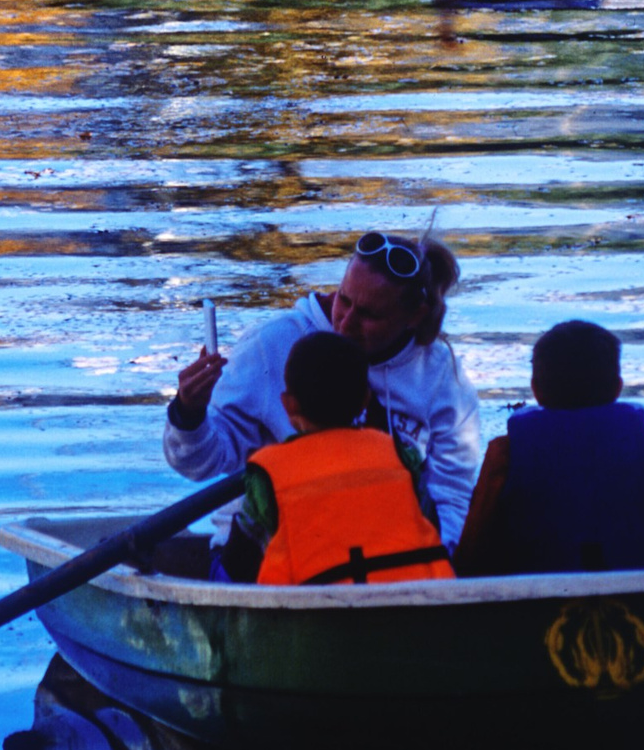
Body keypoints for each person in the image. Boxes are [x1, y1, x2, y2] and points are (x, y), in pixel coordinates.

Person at [165, 232, 484, 554]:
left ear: (414, 317)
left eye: (369, 315)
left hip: (383, 556)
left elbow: (452, 496)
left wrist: (439, 563)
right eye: (344, 299)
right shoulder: (271, 343)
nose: (346, 323)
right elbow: (201, 464)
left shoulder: (443, 377)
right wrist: (189, 414)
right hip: (271, 551)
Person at [456, 320, 644, 577]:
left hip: (538, 599)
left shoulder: (503, 455)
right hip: (641, 599)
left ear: (536, 389)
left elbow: (468, 562)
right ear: (617, 387)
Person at [223, 330, 453, 588]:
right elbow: (429, 522)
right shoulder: (402, 456)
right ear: (365, 401)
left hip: (312, 606)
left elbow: (237, 561)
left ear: (288, 404)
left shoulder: (267, 474)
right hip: (411, 601)